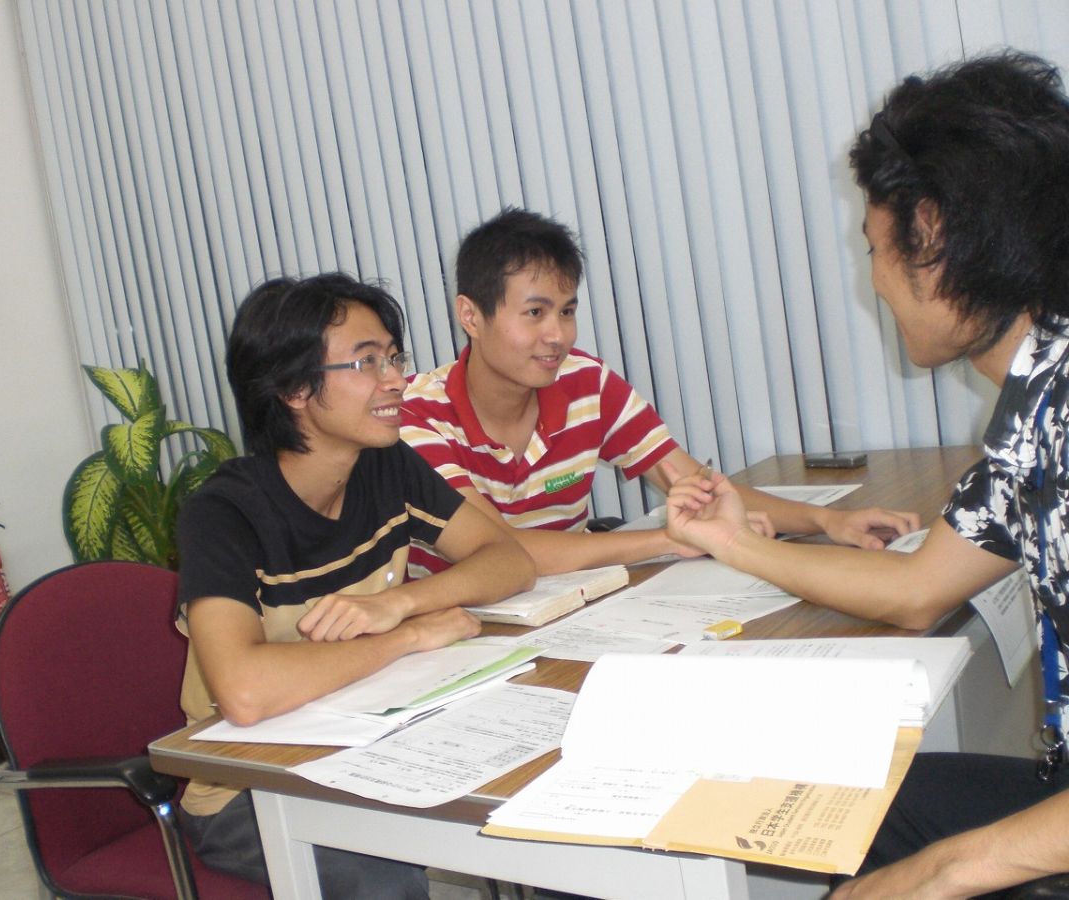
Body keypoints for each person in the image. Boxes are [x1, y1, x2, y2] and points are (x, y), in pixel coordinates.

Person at [663, 51, 1069, 898]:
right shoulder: (1036, 404)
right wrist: (736, 542)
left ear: (932, 236)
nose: (874, 280)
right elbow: (920, 587)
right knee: (831, 805)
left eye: (875, 248)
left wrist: (945, 871)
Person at [174, 273, 536, 898]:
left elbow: (509, 560)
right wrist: (407, 636)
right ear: (293, 388)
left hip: (366, 737)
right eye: (367, 362)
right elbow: (245, 693)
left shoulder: (384, 466)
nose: (396, 379)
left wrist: (399, 603)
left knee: (529, 794)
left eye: (394, 357)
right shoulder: (224, 513)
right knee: (381, 873)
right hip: (248, 788)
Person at [401, 207, 919, 577]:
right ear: (471, 315)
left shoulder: (585, 382)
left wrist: (828, 521)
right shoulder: (416, 415)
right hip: (460, 632)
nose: (558, 335)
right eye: (535, 313)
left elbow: (694, 484)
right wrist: (670, 539)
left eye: (567, 311)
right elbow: (501, 552)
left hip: (571, 603)